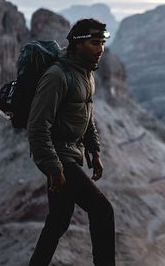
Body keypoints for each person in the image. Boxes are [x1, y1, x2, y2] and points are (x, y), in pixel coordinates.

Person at [27, 18, 115, 266]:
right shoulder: (57, 76)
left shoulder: (86, 74)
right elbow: (37, 126)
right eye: (94, 43)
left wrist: (94, 151)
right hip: (59, 157)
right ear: (77, 45)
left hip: (71, 155)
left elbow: (86, 117)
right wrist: (54, 168)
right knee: (102, 210)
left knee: (58, 221)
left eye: (102, 43)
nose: (100, 49)